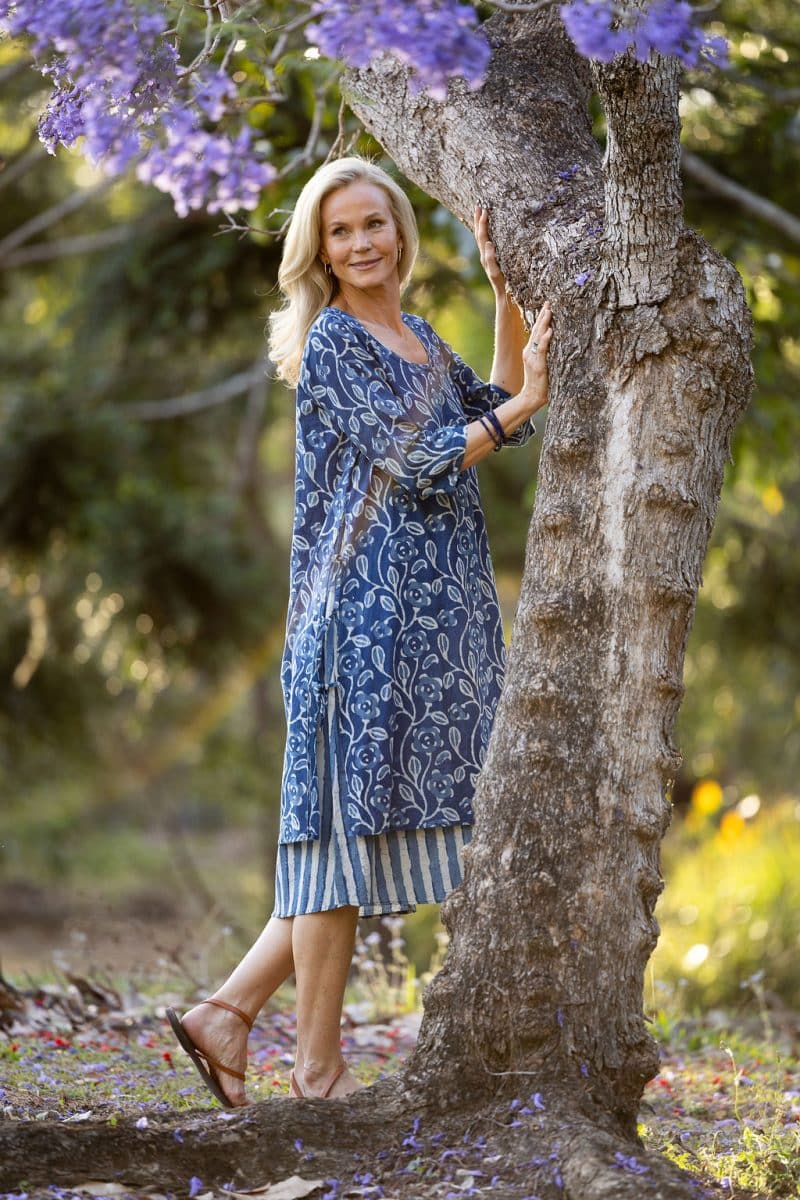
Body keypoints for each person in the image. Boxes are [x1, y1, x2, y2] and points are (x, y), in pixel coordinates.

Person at [167, 156, 552, 1106]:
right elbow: (427, 460)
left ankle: (226, 1013)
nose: (362, 243)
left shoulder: (417, 334)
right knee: (335, 846)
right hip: (359, 626)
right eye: (340, 231)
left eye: (374, 223)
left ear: (400, 232)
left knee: (342, 841)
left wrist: (506, 295)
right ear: (321, 250)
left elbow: (491, 400)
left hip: (429, 629)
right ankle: (317, 1072)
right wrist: (521, 412)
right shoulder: (335, 342)